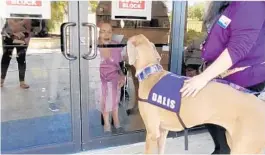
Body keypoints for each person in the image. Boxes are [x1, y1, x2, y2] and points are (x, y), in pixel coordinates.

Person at [180, 1, 265, 154]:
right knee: (220, 134)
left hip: (241, 78)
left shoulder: (251, 4)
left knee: (230, 138)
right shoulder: (234, 4)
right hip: (223, 77)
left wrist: (203, 78)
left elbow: (238, 48)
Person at [98, 22, 125, 133]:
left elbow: (120, 65)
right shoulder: (94, 47)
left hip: (114, 77)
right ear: (99, 33)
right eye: (103, 31)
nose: (106, 34)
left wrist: (122, 76)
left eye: (109, 32)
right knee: (105, 96)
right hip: (100, 79)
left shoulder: (116, 46)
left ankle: (116, 121)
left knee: (114, 96)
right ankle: (107, 123)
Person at [1, 18, 32, 89]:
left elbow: (29, 28)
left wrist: (27, 40)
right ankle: (1, 80)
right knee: (6, 57)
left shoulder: (27, 14)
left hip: (22, 37)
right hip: (8, 36)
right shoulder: (11, 10)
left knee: (21, 59)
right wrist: (24, 21)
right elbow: (13, 26)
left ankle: (22, 82)